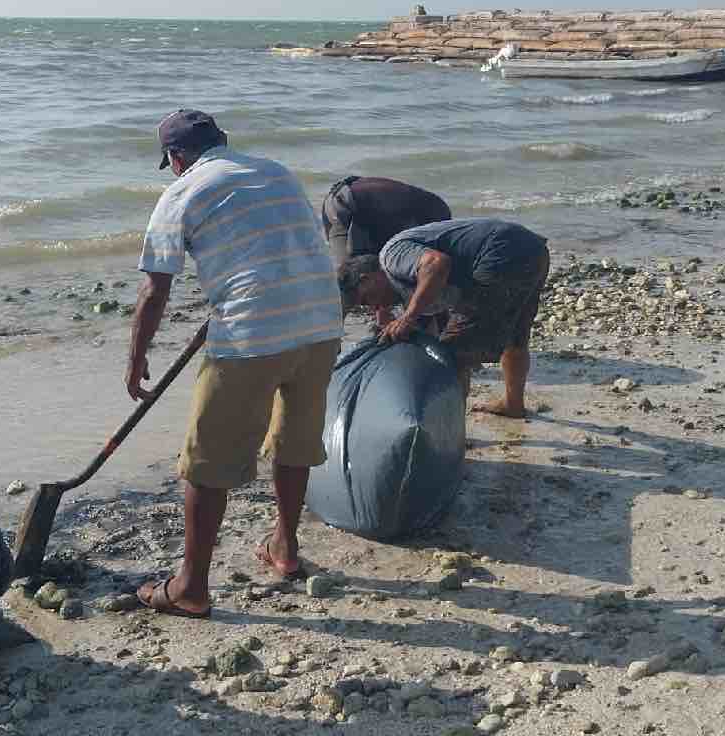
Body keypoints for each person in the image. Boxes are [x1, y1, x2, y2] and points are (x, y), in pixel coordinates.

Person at [127, 110, 343, 618]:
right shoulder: (276, 170)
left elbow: (156, 288)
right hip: (321, 321)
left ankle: (191, 589)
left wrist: (136, 356)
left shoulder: (179, 193)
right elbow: (283, 245)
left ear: (176, 159)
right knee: (293, 440)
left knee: (205, 464)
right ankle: (285, 548)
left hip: (251, 335)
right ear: (223, 141)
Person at [337, 217, 550, 419]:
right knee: (516, 337)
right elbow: (429, 330)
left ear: (367, 279)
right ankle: (513, 405)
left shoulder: (391, 257)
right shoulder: (405, 286)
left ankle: (452, 434)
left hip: (500, 254)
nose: (374, 307)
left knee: (451, 356)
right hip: (531, 250)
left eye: (366, 300)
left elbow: (436, 263)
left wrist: (407, 318)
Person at [321, 176, 451, 329]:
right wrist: (385, 313)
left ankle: (335, 334)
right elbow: (378, 270)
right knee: (349, 280)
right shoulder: (429, 228)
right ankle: (332, 340)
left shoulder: (428, 225)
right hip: (349, 205)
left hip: (344, 198)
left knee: (362, 278)